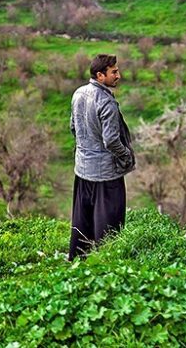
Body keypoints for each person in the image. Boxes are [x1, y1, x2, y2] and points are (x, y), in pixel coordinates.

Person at [68, 54, 135, 260]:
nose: (118, 76)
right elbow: (112, 141)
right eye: (113, 72)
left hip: (82, 170)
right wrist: (127, 157)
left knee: (82, 221)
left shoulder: (78, 94)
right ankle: (106, 264)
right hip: (106, 175)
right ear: (100, 75)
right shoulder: (107, 103)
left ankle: (79, 261)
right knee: (109, 226)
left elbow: (73, 127)